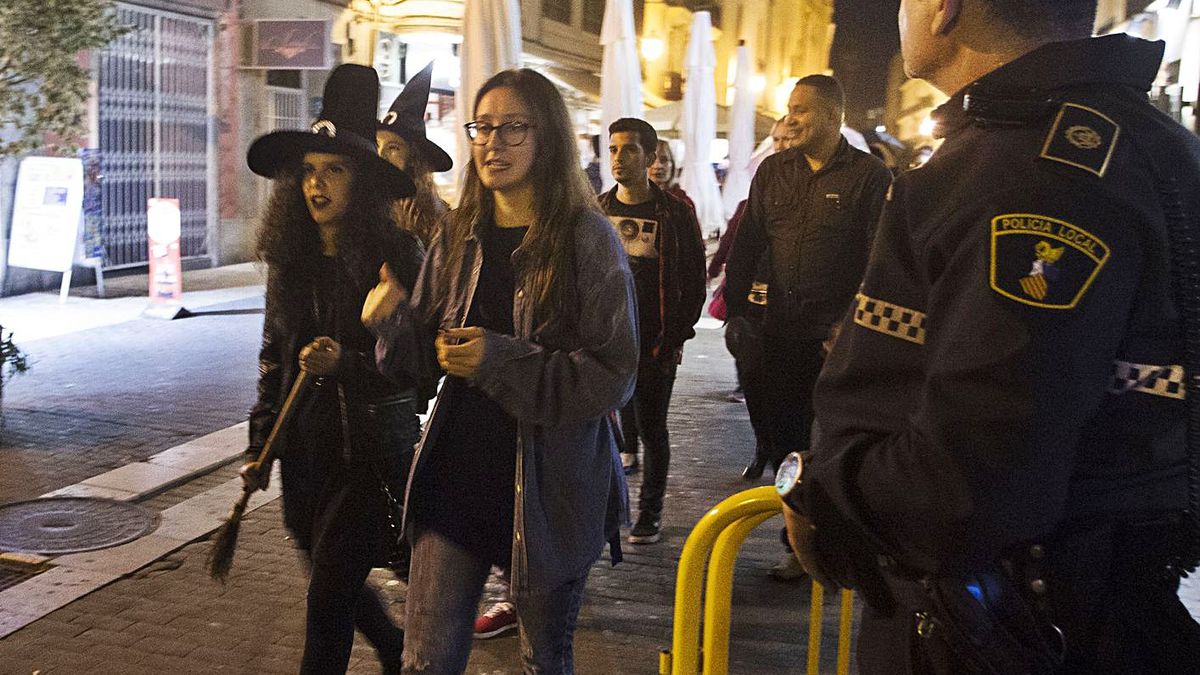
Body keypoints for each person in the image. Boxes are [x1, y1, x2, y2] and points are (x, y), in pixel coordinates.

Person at [780, 2, 1200, 673]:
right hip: (1085, 610)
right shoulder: (1152, 144)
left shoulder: (1022, 170)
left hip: (989, 627)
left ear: (944, 8)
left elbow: (970, 479)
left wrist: (825, 495)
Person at [363, 67, 637, 674]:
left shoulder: (588, 240)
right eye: (483, 127)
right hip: (456, 473)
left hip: (552, 483)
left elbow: (613, 373)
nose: (493, 143)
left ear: (548, 140)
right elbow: (417, 367)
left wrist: (500, 358)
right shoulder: (459, 236)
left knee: (544, 659)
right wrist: (394, 323)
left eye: (514, 128)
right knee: (425, 661)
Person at [242, 64, 426, 675]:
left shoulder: (399, 256)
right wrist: (259, 441)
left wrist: (351, 358)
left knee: (326, 600)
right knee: (330, 579)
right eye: (309, 172)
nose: (317, 185)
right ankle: (393, 644)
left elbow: (420, 372)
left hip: (368, 456)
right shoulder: (289, 258)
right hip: (305, 452)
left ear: (363, 182)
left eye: (335, 170)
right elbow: (273, 355)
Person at [724, 75, 891, 582]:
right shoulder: (772, 172)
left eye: (802, 110)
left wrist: (852, 324)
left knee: (829, 443)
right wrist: (736, 313)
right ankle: (801, 534)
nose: (790, 119)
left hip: (835, 341)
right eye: (788, 109)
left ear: (835, 116)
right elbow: (747, 245)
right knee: (783, 441)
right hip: (775, 335)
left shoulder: (869, 177)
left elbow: (880, 261)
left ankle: (816, 548)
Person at [598, 117, 706, 543]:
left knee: (652, 427)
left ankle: (650, 512)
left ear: (650, 155)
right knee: (607, 427)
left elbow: (694, 278)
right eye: (612, 149)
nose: (618, 158)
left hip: (655, 343)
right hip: (605, 342)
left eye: (628, 149)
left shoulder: (675, 214)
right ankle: (608, 505)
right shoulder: (597, 209)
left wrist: (676, 335)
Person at [708, 117, 802, 473]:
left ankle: (783, 455)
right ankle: (763, 445)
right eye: (776, 139)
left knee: (788, 395)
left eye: (787, 138)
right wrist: (732, 304)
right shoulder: (753, 200)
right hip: (753, 309)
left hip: (794, 313)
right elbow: (736, 244)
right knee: (754, 385)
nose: (780, 145)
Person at [377, 61, 452, 248]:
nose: (382, 155)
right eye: (377, 145)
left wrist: (408, 237)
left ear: (414, 159)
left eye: (393, 148)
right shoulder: (366, 205)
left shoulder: (440, 218)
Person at [649, 139, 695, 214]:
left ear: (672, 166)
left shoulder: (684, 203)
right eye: (651, 160)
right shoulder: (632, 200)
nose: (658, 166)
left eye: (664, 160)